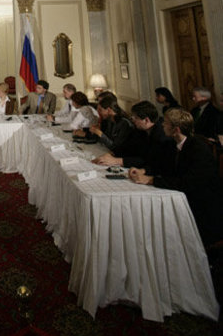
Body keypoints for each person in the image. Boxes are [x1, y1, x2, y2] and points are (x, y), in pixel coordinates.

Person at [129, 109, 223, 245]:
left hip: (203, 209)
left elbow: (188, 183)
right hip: (185, 198)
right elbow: (161, 166)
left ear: (176, 129)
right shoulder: (172, 144)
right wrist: (143, 171)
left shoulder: (198, 149)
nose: (162, 125)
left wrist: (151, 180)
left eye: (166, 123)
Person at [93, 100, 171, 168]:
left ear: (146, 120)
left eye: (136, 118)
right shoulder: (140, 129)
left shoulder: (161, 134)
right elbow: (128, 146)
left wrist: (117, 161)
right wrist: (111, 153)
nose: (132, 120)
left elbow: (149, 160)